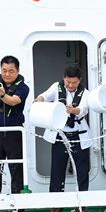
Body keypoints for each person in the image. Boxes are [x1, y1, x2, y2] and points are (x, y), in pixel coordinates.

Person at [34, 65, 91, 195]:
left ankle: (83, 199)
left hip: (78, 135)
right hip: (60, 134)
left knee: (82, 169)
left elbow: (83, 109)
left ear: (80, 80)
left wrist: (74, 110)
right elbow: (45, 96)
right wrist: (39, 100)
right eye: (68, 82)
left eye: (74, 82)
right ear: (64, 78)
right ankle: (55, 200)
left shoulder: (85, 93)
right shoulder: (56, 87)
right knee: (57, 169)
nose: (70, 85)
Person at [0, 55, 30, 197]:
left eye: (11, 71)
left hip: (14, 133)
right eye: (4, 70)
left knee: (16, 169)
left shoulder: (23, 88)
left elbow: (13, 101)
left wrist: (2, 95)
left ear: (18, 71)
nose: (7, 74)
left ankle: (18, 205)